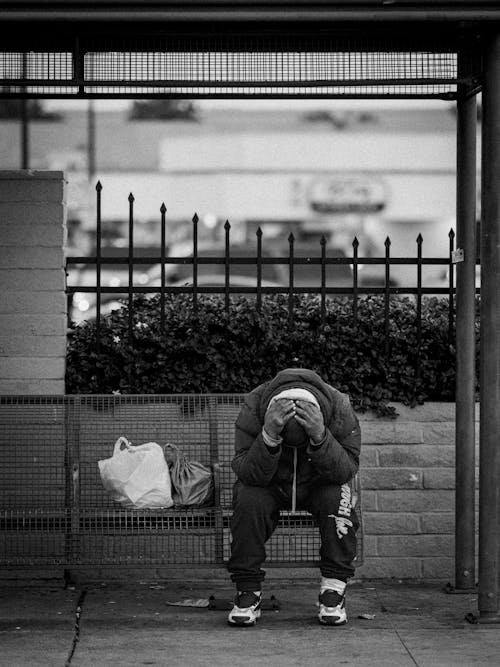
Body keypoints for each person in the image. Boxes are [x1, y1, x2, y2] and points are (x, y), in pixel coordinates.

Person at [227, 368, 361, 627]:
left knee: (338, 497)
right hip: (270, 482)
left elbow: (346, 470)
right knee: (248, 497)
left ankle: (333, 590)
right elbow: (246, 471)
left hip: (319, 481)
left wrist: (320, 436)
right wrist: (268, 434)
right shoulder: (255, 404)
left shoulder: (339, 406)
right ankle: (248, 591)